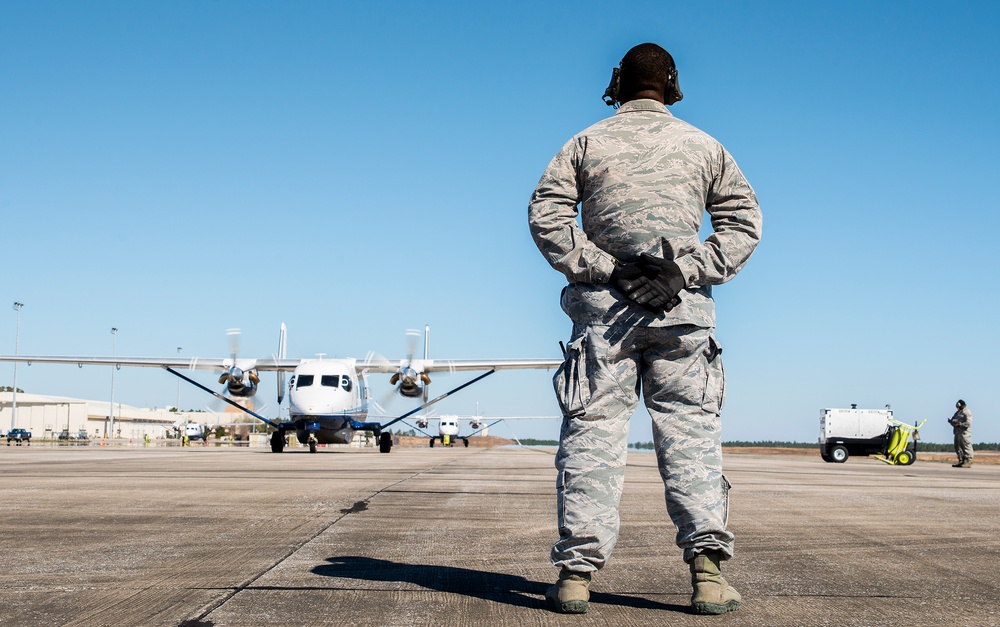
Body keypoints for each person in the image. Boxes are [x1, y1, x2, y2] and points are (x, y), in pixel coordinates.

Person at [528, 43, 762, 616]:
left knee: (592, 436)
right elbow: (742, 223)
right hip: (680, 320)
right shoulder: (705, 146)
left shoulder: (585, 143)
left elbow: (547, 216)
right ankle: (707, 577)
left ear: (616, 83)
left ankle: (575, 578)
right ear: (672, 84)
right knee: (691, 438)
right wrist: (683, 272)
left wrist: (609, 268)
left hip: (604, 322)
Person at [948, 400, 973, 468]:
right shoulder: (957, 413)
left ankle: (968, 461)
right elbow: (954, 420)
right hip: (957, 433)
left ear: (962, 405)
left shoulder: (967, 412)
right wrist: (951, 422)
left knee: (966, 446)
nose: (957, 408)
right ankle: (961, 460)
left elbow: (968, 423)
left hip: (964, 433)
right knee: (958, 447)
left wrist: (959, 425)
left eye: (958, 406)